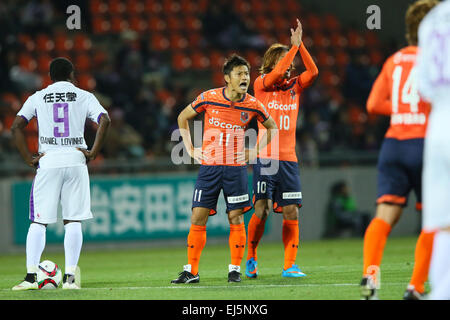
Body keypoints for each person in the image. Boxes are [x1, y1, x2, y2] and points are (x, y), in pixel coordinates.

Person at [172, 54, 278, 284]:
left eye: (247, 74)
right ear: (227, 78)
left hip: (235, 169)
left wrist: (254, 151)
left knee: (236, 217)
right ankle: (192, 271)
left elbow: (272, 128)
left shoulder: (252, 104)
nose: (245, 78)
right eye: (239, 73)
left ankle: (234, 270)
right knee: (198, 216)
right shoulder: (209, 97)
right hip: (209, 168)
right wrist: (189, 148)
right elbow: (183, 117)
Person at [360, 0, 438, 300]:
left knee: (384, 215)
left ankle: (370, 278)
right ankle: (415, 287)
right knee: (437, 219)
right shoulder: (438, 58)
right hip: (424, 145)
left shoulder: (394, 60)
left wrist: (405, 109)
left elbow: (372, 104)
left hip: (393, 144)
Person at [11, 57, 110, 290]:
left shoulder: (37, 97)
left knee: (38, 221)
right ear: (72, 74)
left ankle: (30, 278)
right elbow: (105, 120)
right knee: (73, 220)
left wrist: (28, 159)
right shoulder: (84, 95)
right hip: (76, 159)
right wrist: (93, 152)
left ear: (50, 76)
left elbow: (16, 126)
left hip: (49, 159)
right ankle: (70, 280)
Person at [245, 19, 318, 279]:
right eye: (283, 62)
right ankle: (251, 257)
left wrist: (301, 47)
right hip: (266, 158)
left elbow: (314, 72)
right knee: (262, 210)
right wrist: (292, 49)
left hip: (288, 158)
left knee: (291, 210)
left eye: (289, 63)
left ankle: (290, 265)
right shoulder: (261, 84)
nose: (289, 67)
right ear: (271, 63)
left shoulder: (294, 87)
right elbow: (276, 75)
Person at [417, 0, 450, 300]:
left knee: (444, 220)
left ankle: (440, 292)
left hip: (438, 124)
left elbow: (423, 85)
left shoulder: (432, 20)